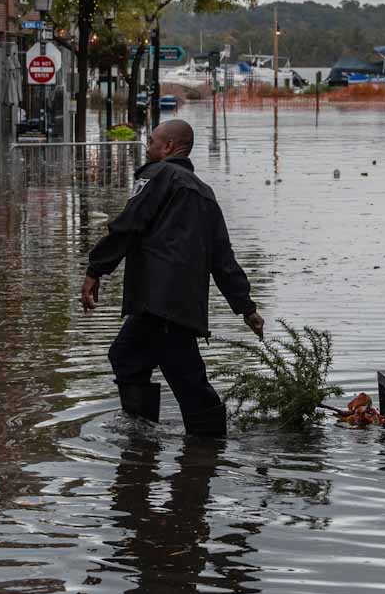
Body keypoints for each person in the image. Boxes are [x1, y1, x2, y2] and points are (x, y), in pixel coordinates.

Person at [82, 119, 263, 437]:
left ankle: (203, 443)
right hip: (177, 303)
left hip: (158, 300)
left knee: (184, 376)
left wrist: (96, 269)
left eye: (151, 141)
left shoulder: (158, 174)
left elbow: (128, 224)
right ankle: (145, 436)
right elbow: (223, 259)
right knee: (128, 357)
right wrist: (246, 307)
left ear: (168, 147)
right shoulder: (205, 194)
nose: (148, 147)